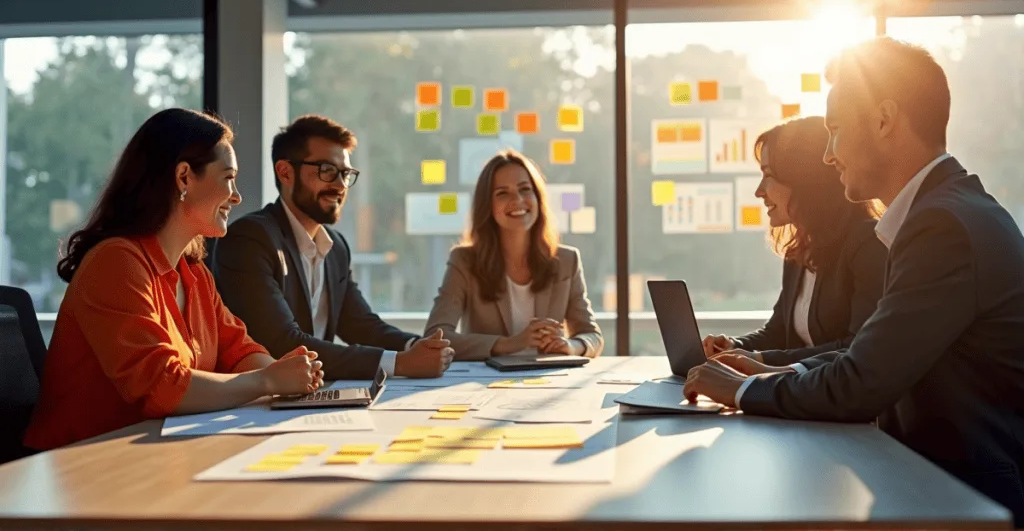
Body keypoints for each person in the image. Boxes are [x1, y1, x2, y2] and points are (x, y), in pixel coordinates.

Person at [684, 37, 1024, 523]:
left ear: (884, 120)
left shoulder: (942, 226)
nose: (828, 155)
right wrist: (764, 370)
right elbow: (869, 353)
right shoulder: (944, 211)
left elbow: (862, 382)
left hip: (962, 499)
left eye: (835, 130)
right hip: (925, 482)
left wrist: (739, 391)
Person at [24, 109, 323, 451]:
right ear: (184, 178)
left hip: (149, 455)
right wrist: (268, 380)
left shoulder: (193, 273)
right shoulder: (116, 263)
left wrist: (286, 378)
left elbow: (239, 351)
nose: (237, 196)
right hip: (82, 466)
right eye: (228, 178)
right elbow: (163, 387)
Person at [213, 115, 454, 380]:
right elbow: (282, 343)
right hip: (256, 404)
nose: (339, 185)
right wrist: (400, 363)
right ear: (285, 172)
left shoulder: (335, 247)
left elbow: (360, 325)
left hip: (312, 394)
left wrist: (417, 347)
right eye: (326, 170)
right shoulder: (250, 239)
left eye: (345, 173)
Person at [701, 116, 886, 366]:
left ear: (804, 180)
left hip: (838, 400)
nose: (759, 191)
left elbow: (855, 349)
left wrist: (759, 360)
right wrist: (735, 347)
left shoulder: (868, 244)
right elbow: (778, 333)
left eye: (768, 175)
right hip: (799, 395)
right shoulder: (800, 250)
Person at [424, 150, 603, 360]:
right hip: (485, 385)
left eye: (525, 189)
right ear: (488, 206)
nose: (517, 200)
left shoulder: (567, 261)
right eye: (502, 193)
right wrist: (510, 344)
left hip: (550, 380)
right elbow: (435, 337)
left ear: (538, 198)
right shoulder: (464, 261)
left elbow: (592, 336)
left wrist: (570, 346)